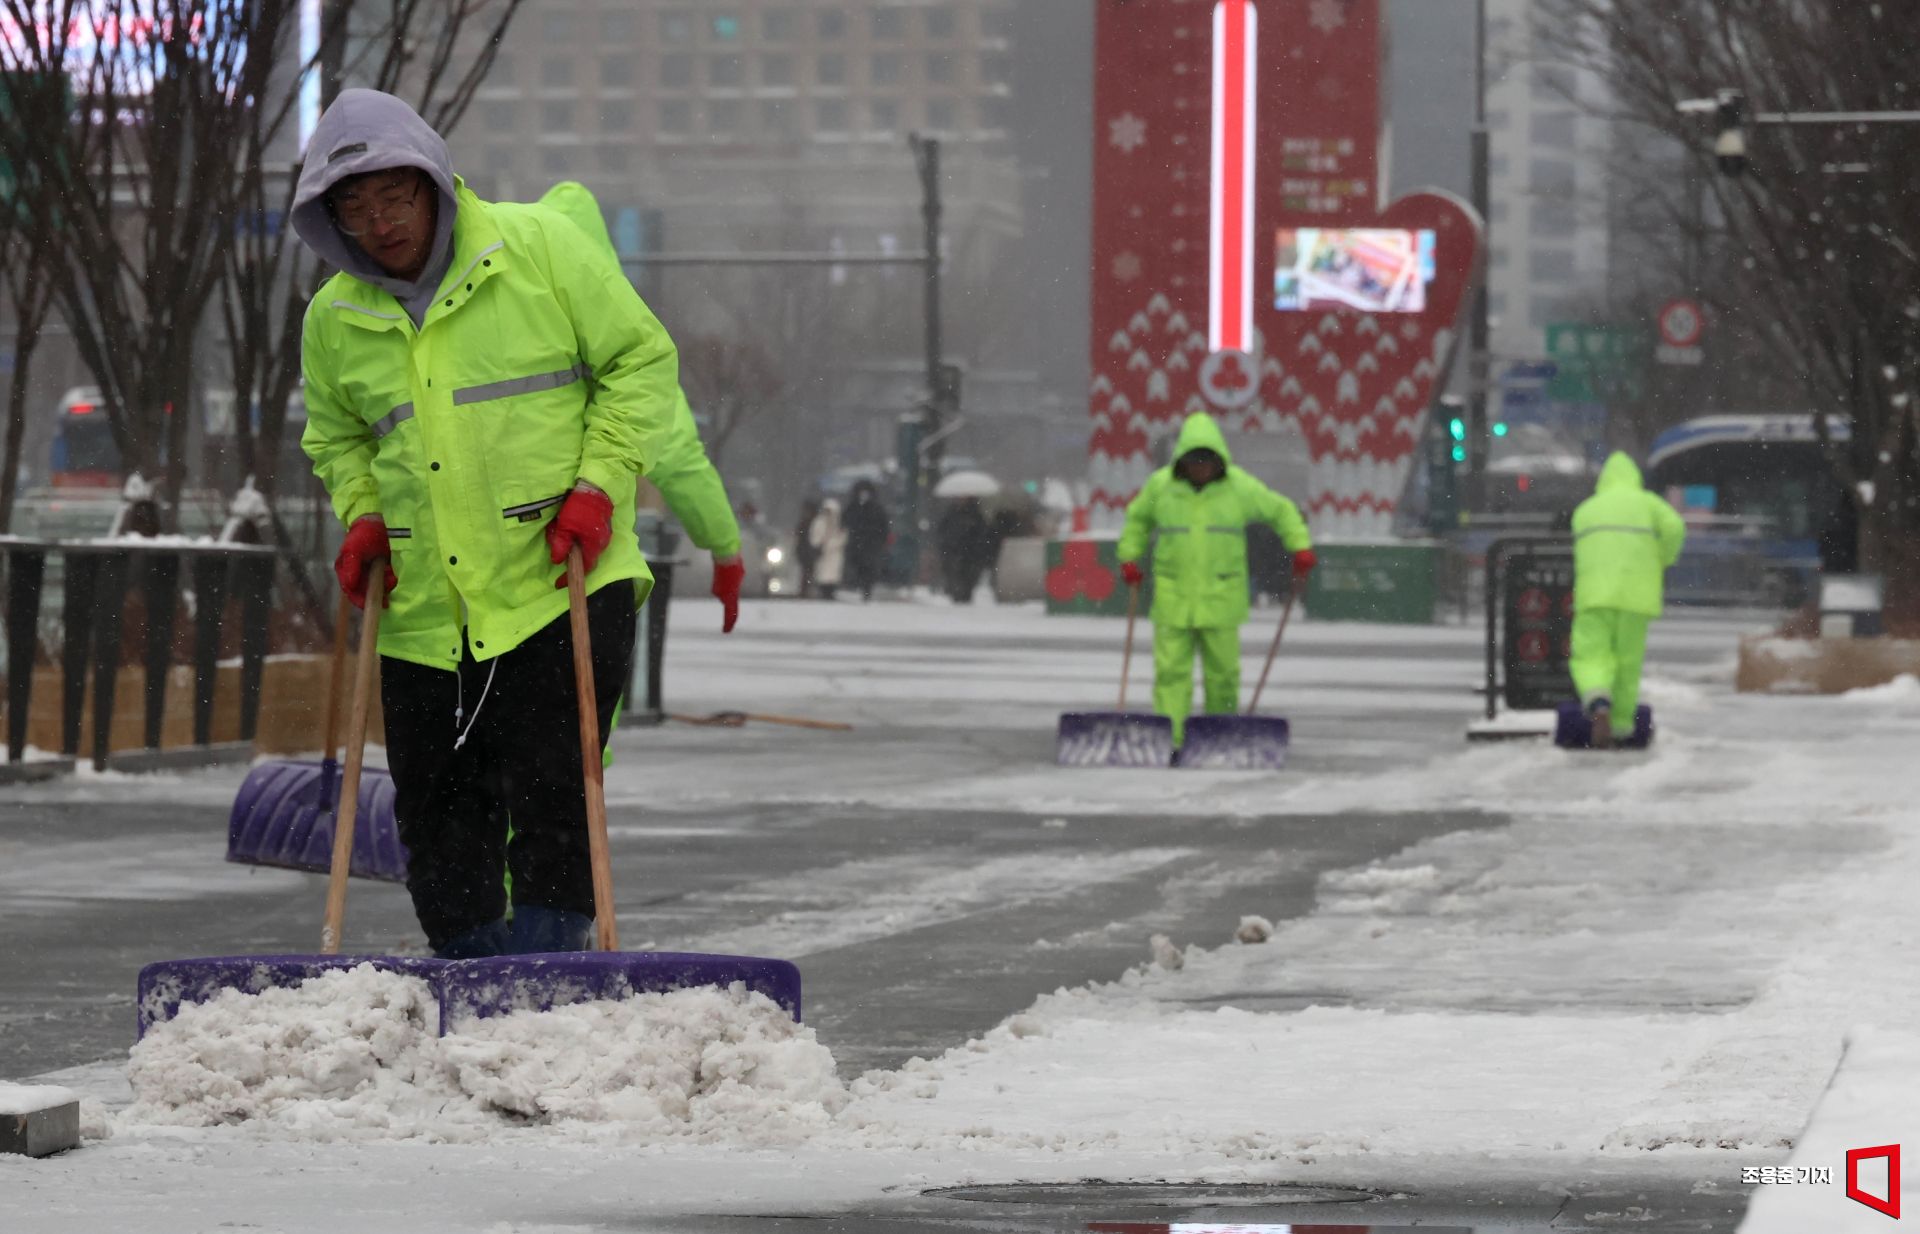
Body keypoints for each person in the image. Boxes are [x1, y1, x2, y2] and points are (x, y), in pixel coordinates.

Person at [295, 90, 678, 958]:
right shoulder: (334, 318)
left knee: (554, 793)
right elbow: (337, 434)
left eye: (394, 197)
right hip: (427, 606)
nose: (379, 223)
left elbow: (640, 360)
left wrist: (600, 485)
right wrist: (361, 515)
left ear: (432, 182)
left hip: (560, 576)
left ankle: (545, 985)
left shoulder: (539, 253)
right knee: (436, 816)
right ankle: (474, 986)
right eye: (353, 208)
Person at [538, 182, 743, 633]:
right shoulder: (626, 339)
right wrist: (725, 549)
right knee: (587, 696)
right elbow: (681, 463)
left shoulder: (497, 324)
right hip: (593, 565)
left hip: (483, 577)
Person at [1117, 412, 1314, 749]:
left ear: (1219, 460)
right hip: (1172, 597)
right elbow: (1137, 520)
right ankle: (1173, 739)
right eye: (1194, 461)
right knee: (1170, 676)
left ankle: (1216, 735)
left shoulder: (1240, 488)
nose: (1200, 468)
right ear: (1182, 460)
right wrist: (1129, 558)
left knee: (1223, 676)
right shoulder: (1161, 487)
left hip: (1222, 599)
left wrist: (1300, 546)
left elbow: (1281, 510)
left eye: (1207, 461)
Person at [1569, 451, 1686, 748]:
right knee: (1627, 662)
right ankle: (1621, 726)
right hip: (1637, 596)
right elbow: (1675, 527)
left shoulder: (1586, 510)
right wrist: (1662, 558)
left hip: (1594, 595)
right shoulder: (1648, 504)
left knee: (1590, 654)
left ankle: (1598, 701)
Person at [842, 479, 891, 601]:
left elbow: (883, 527)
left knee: (869, 567)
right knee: (858, 565)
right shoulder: (853, 507)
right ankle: (859, 585)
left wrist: (880, 540)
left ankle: (866, 588)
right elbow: (845, 522)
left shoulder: (876, 509)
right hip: (856, 543)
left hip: (871, 545)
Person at [937, 496, 992, 603]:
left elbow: (982, 533)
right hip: (954, 551)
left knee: (968, 576)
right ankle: (958, 595)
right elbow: (942, 531)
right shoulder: (951, 514)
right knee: (955, 575)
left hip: (970, 553)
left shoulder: (976, 515)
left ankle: (965, 596)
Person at [809, 496, 846, 600]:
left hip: (835, 553)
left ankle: (831, 591)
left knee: (833, 574)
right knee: (822, 573)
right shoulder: (819, 522)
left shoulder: (839, 523)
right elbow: (815, 535)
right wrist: (818, 545)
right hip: (823, 553)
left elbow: (842, 537)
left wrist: (832, 545)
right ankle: (824, 591)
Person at [793, 497, 822, 598]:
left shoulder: (814, 522)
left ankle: (807, 590)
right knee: (806, 572)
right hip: (804, 550)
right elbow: (798, 536)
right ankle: (805, 590)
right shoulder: (805, 522)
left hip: (810, 550)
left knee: (809, 571)